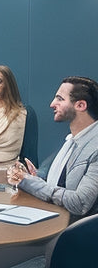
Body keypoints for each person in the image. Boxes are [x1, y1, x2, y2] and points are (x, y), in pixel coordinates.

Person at [8, 76, 98, 218]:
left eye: (60, 99)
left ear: (80, 105)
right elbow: (60, 183)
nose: (52, 104)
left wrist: (31, 182)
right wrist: (36, 176)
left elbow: (80, 203)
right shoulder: (73, 139)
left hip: (71, 233)